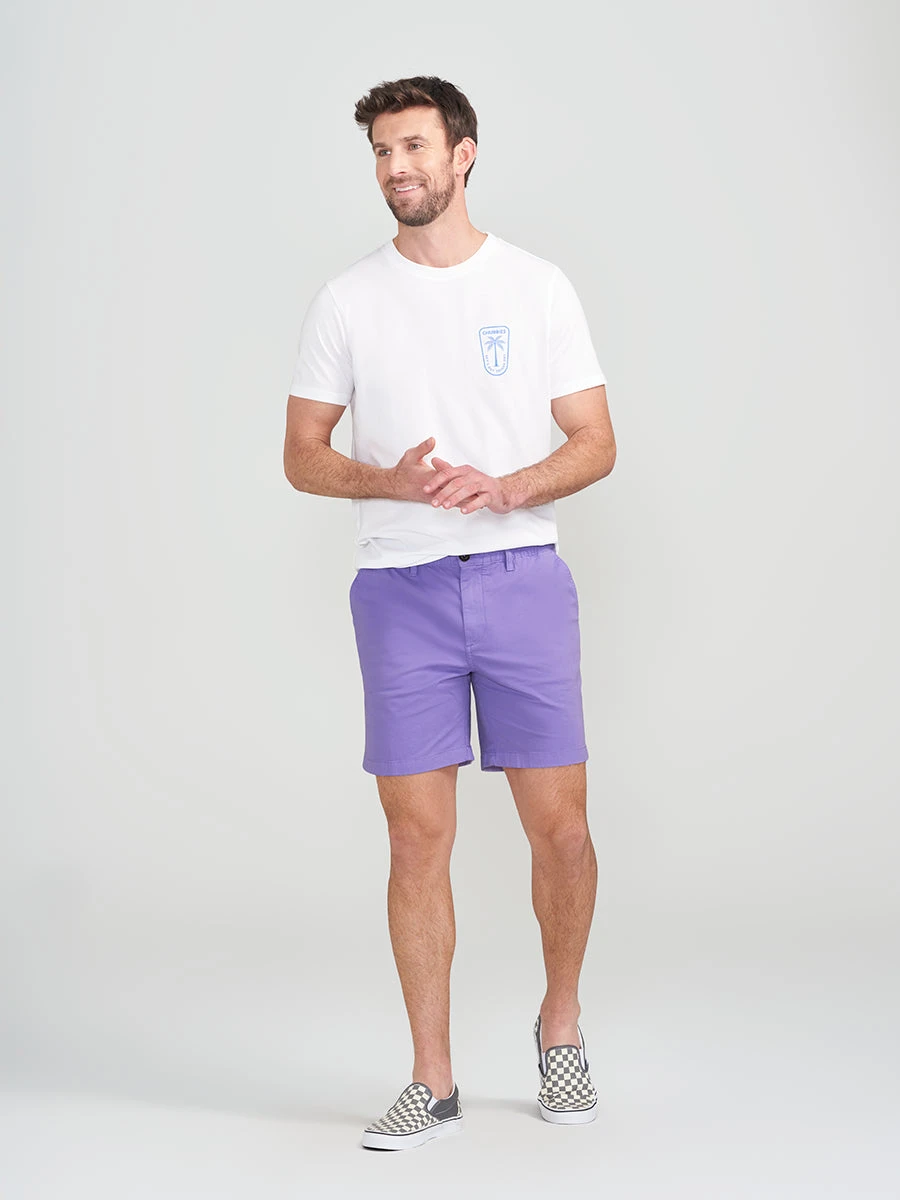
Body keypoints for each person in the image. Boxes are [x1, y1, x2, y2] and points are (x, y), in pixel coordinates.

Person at [283, 75, 616, 1151]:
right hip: (401, 590)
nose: (397, 168)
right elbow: (301, 456)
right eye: (383, 152)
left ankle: (560, 1027)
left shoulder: (536, 286)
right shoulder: (347, 300)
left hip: (522, 577)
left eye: (415, 147)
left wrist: (509, 487)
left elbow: (596, 440)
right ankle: (432, 1079)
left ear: (463, 153)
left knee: (561, 830)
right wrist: (389, 480)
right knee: (415, 840)